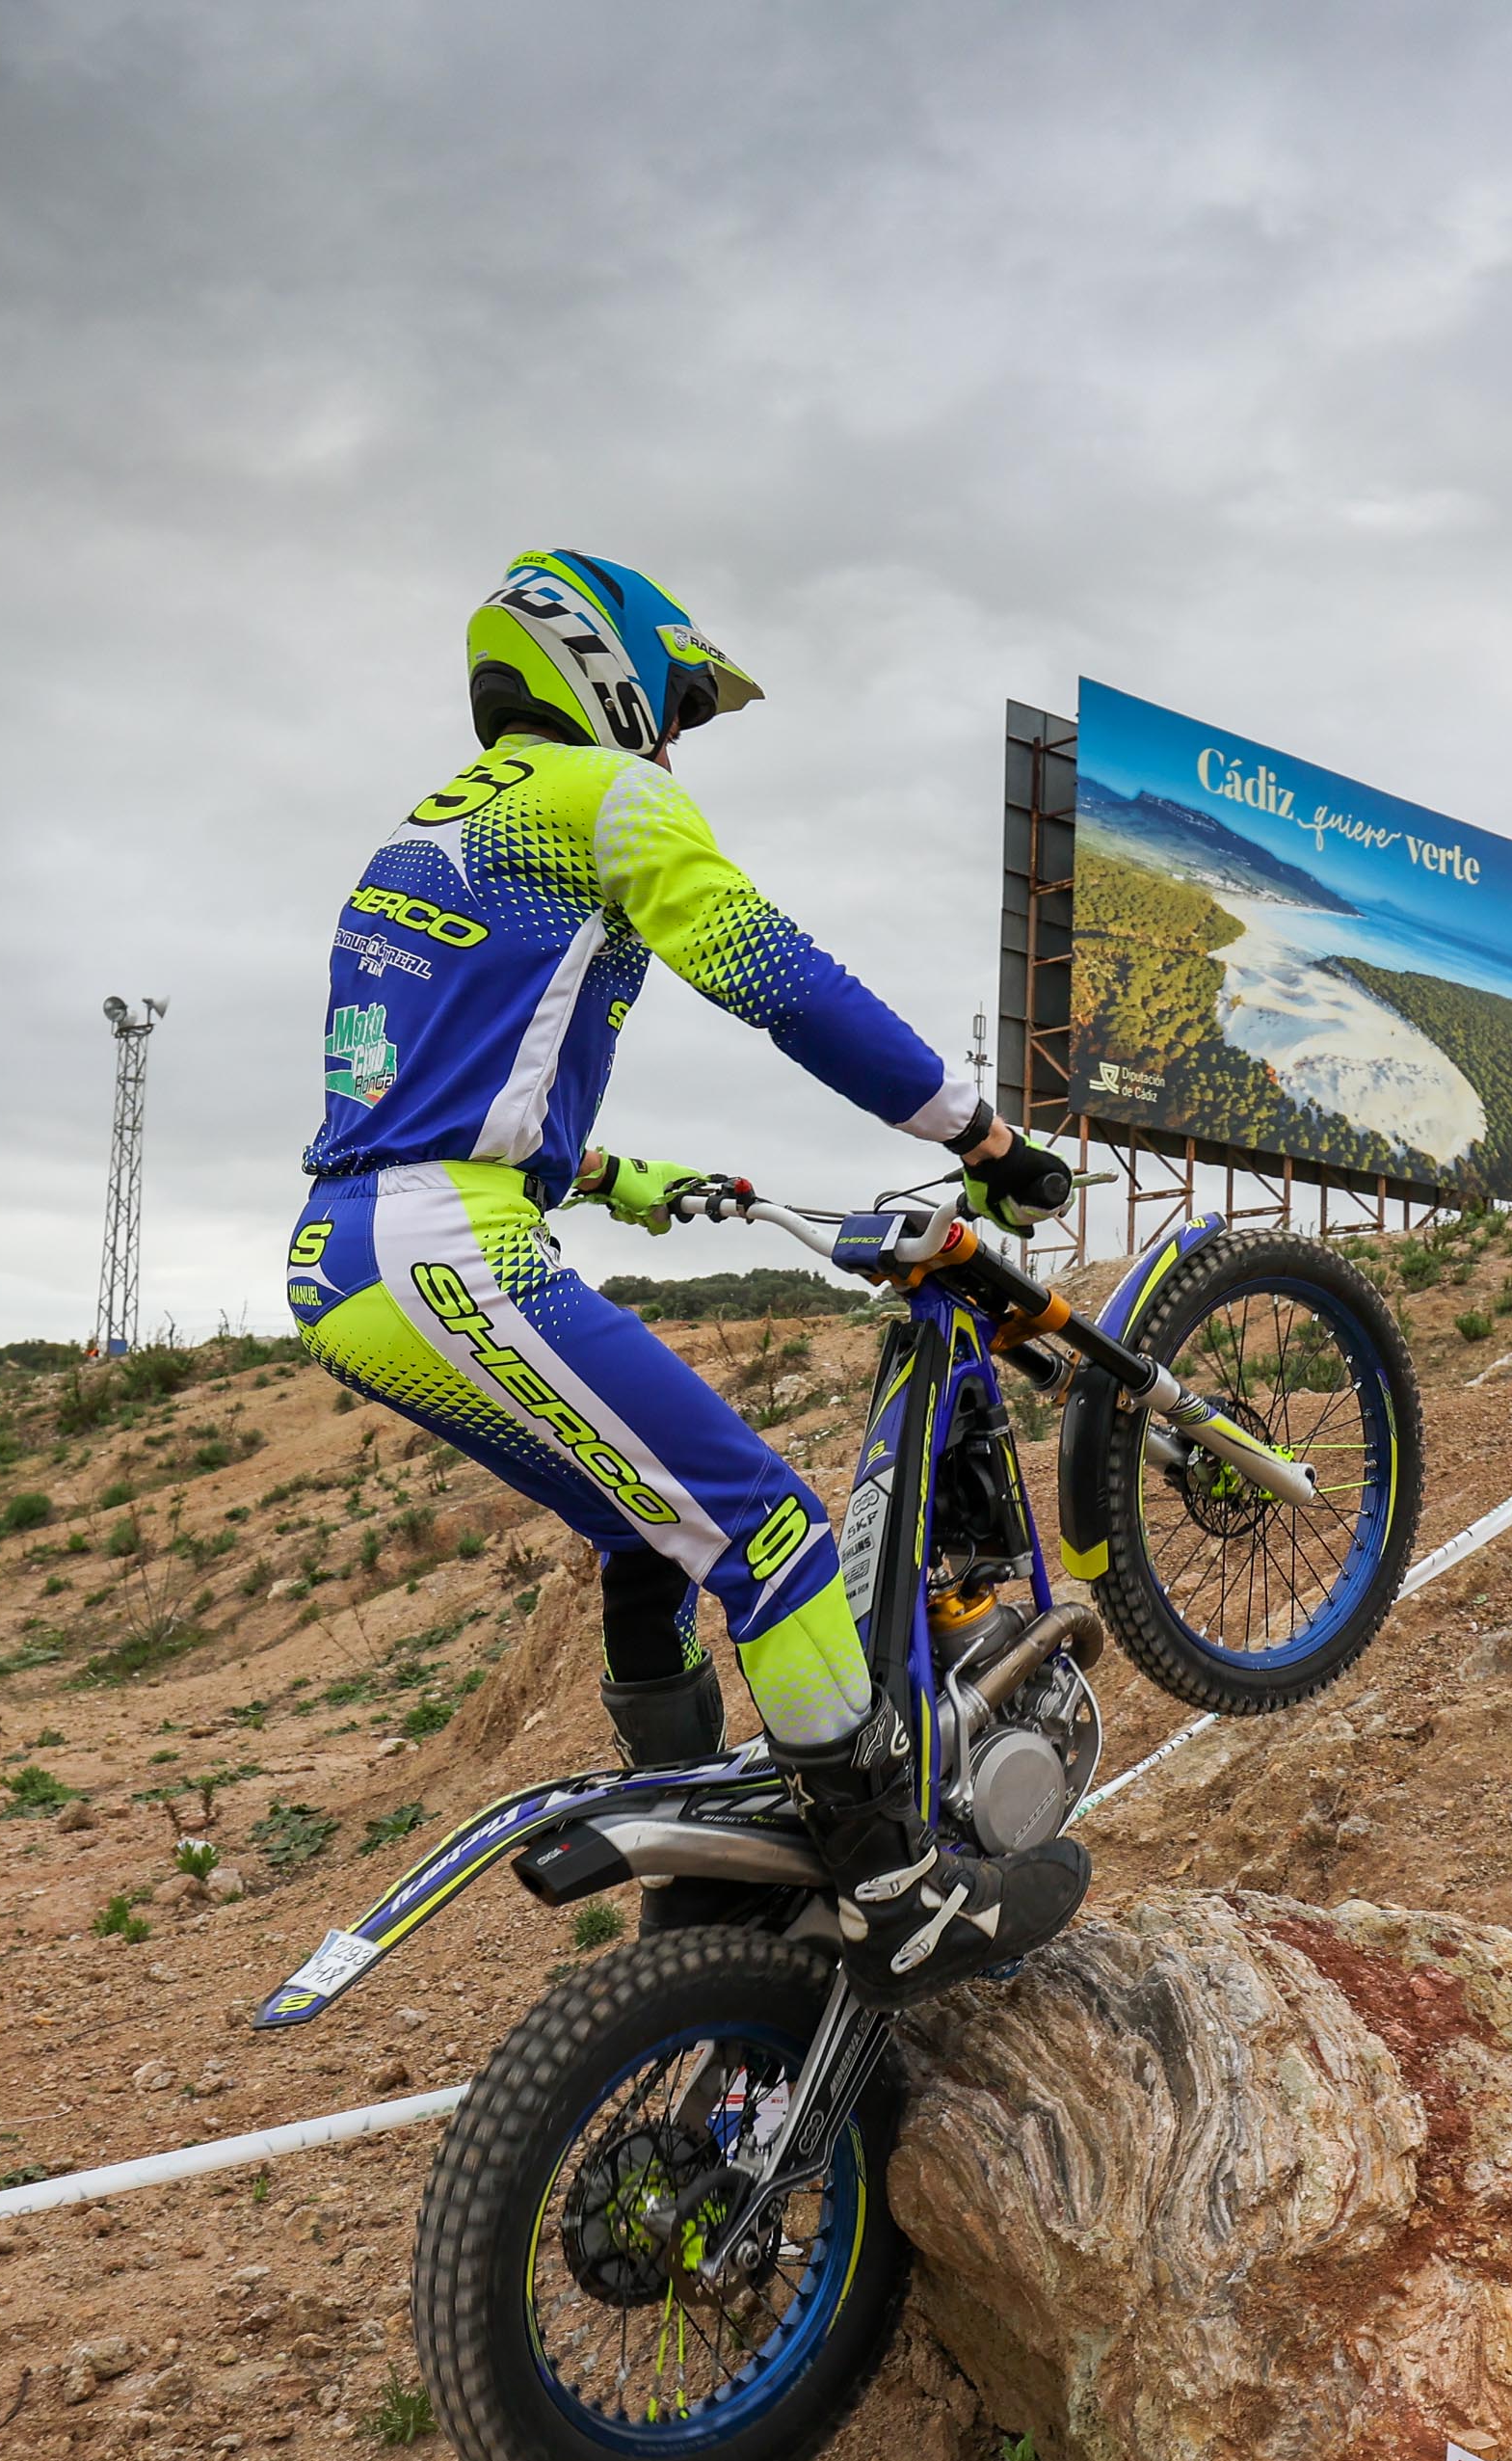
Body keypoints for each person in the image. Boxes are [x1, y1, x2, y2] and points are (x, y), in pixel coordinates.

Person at [284, 549, 1083, 2005]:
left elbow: (439, 1079)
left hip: (349, 1259)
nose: (673, 741)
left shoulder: (418, 840)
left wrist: (610, 1175)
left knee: (651, 1540)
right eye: (676, 707)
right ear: (608, 667)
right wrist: (978, 1131)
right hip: (447, 1248)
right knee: (771, 1532)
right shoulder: (609, 800)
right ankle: (895, 1888)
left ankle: (709, 1872)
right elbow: (785, 983)